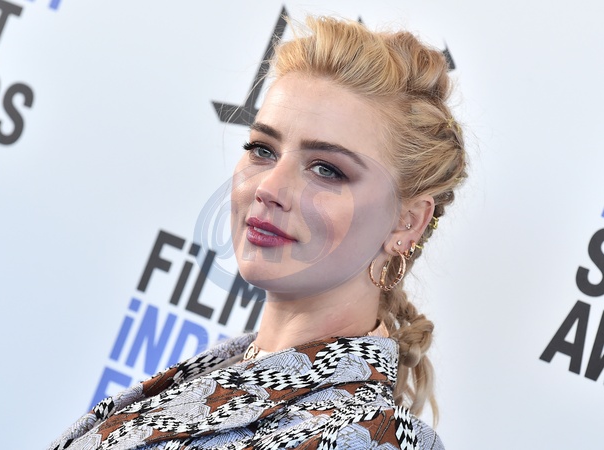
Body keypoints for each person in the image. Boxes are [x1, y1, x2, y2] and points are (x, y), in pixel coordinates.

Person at [48, 15, 466, 450]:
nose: (268, 188)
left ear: (407, 221)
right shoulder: (222, 369)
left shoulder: (368, 436)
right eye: (262, 150)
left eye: (327, 169)